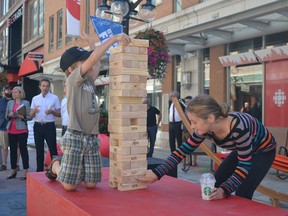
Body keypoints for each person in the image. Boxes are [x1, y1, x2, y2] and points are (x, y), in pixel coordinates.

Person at [139, 94, 277, 200]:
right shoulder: (205, 128)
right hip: (243, 149)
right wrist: (157, 173)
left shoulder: (239, 128)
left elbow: (244, 166)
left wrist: (225, 190)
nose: (192, 126)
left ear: (210, 118)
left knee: (242, 192)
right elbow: (182, 151)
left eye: (194, 122)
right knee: (215, 184)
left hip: (263, 151)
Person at [45, 31, 131, 191]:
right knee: (70, 186)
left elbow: (96, 62)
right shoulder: (72, 80)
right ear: (71, 69)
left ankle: (76, 169)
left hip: (91, 136)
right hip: (75, 135)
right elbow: (94, 59)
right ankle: (56, 165)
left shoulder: (90, 81)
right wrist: (113, 39)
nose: (89, 64)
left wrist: (92, 42)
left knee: (91, 184)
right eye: (83, 61)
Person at [30, 79, 61, 172]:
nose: (45, 88)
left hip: (49, 126)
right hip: (38, 125)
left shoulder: (54, 98)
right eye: (43, 86)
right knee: (39, 150)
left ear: (49, 87)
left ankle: (55, 170)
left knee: (53, 149)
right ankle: (39, 170)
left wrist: (51, 111)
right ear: (40, 86)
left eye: (47, 86)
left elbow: (59, 114)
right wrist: (34, 111)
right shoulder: (35, 98)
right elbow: (30, 115)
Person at [6, 86, 30, 180]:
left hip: (22, 129)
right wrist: (10, 115)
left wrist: (21, 116)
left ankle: (25, 170)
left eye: (16, 92)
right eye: (13, 92)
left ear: (20, 93)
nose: (14, 94)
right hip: (11, 129)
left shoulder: (26, 103)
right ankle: (13, 170)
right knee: (12, 151)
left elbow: (29, 116)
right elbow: (6, 116)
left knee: (23, 150)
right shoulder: (10, 103)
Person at [0, 86, 20, 171]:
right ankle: (4, 164)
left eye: (9, 89)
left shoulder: (16, 101)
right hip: (3, 126)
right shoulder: (0, 101)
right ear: (3, 91)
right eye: (6, 89)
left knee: (17, 146)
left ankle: (16, 164)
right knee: (4, 147)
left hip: (15, 126)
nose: (8, 91)